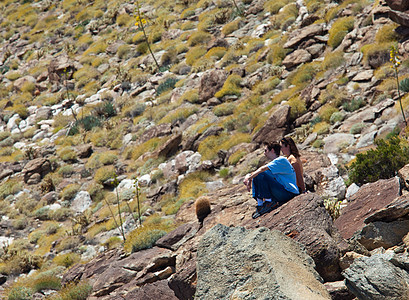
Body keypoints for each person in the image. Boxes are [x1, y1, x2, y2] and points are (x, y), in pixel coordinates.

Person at [243, 142, 299, 219]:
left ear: (272, 150)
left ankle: (269, 202)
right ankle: (261, 205)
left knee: (260, 173)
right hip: (283, 192)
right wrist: (248, 176)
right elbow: (258, 171)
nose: (264, 153)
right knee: (259, 173)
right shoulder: (274, 163)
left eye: (265, 151)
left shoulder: (281, 160)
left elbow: (261, 170)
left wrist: (249, 178)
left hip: (288, 193)